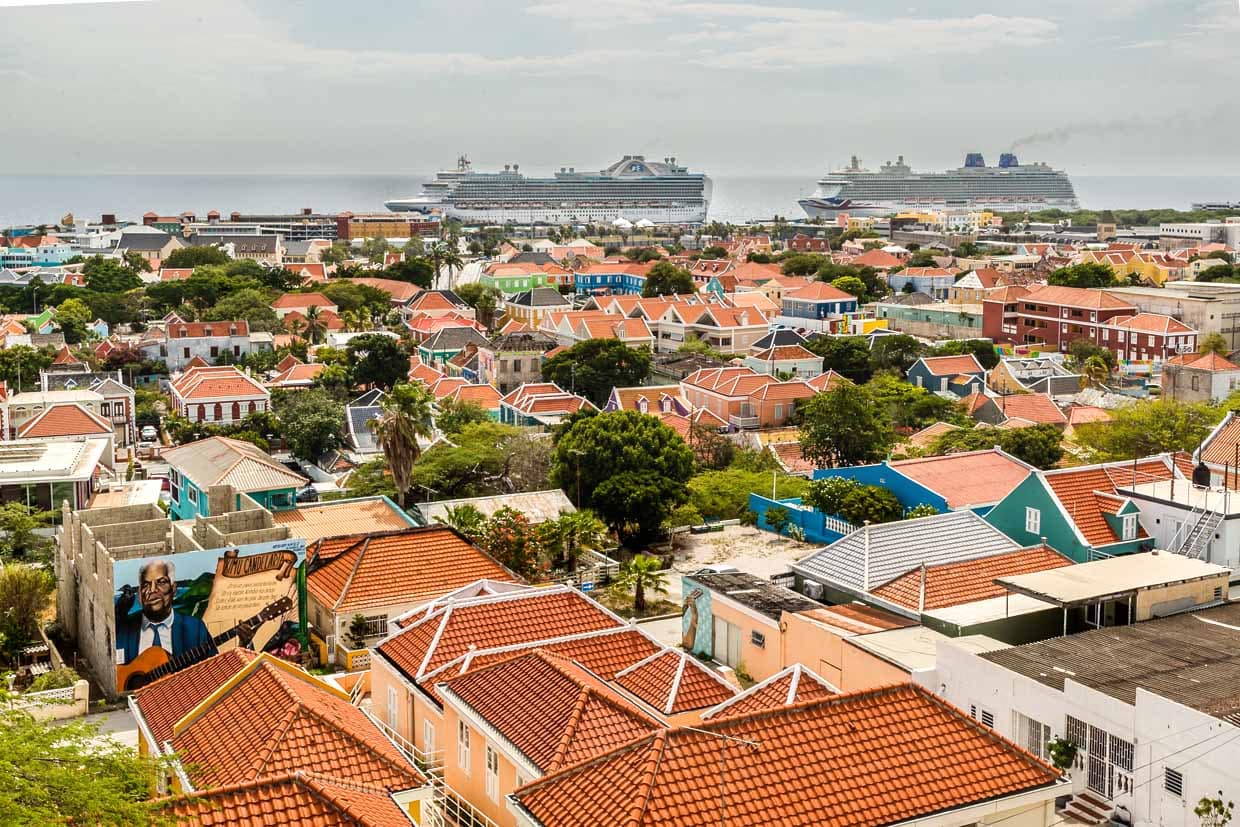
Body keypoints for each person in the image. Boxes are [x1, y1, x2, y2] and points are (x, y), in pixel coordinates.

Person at [114, 558, 216, 668]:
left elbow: (214, 669)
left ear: (174, 589)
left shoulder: (195, 628)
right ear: (139, 595)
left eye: (161, 582)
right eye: (146, 585)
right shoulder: (122, 629)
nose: (152, 590)